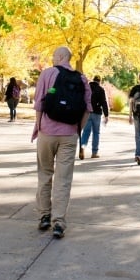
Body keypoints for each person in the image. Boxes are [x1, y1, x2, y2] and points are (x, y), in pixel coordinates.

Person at [32, 46, 92, 239]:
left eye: (53, 55)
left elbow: (39, 103)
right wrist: (77, 130)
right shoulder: (82, 79)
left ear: (60, 57)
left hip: (47, 133)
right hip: (69, 135)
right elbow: (87, 109)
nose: (52, 58)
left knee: (45, 174)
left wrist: (38, 126)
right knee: (63, 179)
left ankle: (44, 216)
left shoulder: (47, 74)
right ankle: (59, 222)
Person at [80, 75, 109, 159]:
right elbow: (104, 102)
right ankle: (94, 152)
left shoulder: (87, 88)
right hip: (96, 113)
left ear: (93, 80)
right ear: (99, 81)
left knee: (86, 132)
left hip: (87, 112)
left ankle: (82, 147)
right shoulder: (101, 89)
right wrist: (106, 115)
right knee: (96, 133)